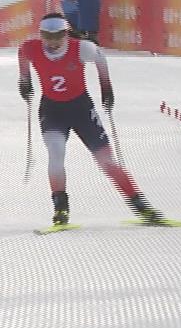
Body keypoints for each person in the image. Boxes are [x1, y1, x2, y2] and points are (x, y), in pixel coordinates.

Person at [18, 13, 164, 228]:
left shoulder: (81, 48)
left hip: (81, 109)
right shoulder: (30, 48)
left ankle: (140, 206)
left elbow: (100, 58)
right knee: (56, 153)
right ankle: (60, 208)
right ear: (40, 35)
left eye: (58, 35)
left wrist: (106, 88)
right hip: (52, 110)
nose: (53, 41)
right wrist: (25, 81)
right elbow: (23, 57)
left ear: (66, 34)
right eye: (47, 36)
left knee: (106, 161)